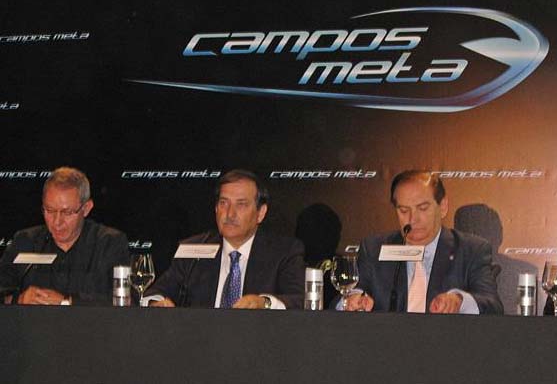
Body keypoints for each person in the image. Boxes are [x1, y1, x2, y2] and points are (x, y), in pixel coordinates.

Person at [344, 170, 503, 314]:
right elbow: (346, 296)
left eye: (422, 208)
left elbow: (492, 306)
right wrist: (352, 300)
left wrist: (460, 301)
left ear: (443, 206)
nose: (412, 219)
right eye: (404, 210)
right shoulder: (374, 249)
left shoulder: (471, 250)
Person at [145, 170, 305, 309]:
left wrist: (265, 303)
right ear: (216, 208)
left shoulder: (284, 252)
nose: (230, 214)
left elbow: (300, 300)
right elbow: (154, 293)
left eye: (241, 204)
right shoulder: (193, 250)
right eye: (223, 203)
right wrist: (155, 303)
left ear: (260, 213)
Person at [0, 167, 130, 305]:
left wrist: (67, 301)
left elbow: (126, 300)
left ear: (86, 208)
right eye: (50, 211)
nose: (57, 222)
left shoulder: (109, 243)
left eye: (67, 212)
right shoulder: (25, 241)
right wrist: (18, 300)